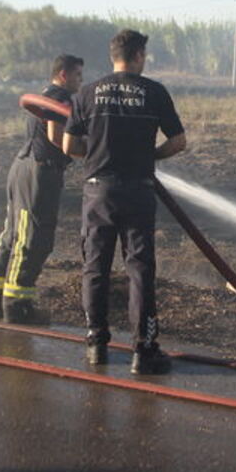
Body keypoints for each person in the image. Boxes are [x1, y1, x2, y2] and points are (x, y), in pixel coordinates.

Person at [62, 29, 186, 374]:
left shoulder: (87, 92)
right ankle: (144, 351)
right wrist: (151, 155)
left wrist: (98, 153)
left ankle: (96, 345)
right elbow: (178, 141)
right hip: (139, 191)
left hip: (98, 191)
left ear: (112, 55)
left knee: (95, 267)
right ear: (139, 56)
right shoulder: (154, 92)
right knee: (140, 270)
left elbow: (68, 147)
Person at [0, 54, 84, 324]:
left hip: (21, 167)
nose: (80, 81)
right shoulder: (61, 99)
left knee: (13, 234)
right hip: (41, 172)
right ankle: (17, 307)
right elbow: (56, 137)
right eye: (77, 76)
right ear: (63, 74)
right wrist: (91, 152)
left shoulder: (46, 95)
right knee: (33, 240)